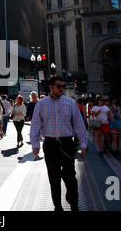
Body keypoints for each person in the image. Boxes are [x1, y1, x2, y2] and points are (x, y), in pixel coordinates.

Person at [30, 77, 87, 212]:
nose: (62, 89)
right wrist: (35, 144)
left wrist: (83, 143)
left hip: (67, 142)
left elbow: (79, 124)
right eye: (59, 86)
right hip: (50, 144)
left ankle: (73, 204)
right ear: (51, 87)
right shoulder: (42, 104)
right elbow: (36, 125)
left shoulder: (70, 103)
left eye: (63, 86)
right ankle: (58, 206)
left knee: (70, 177)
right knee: (54, 178)